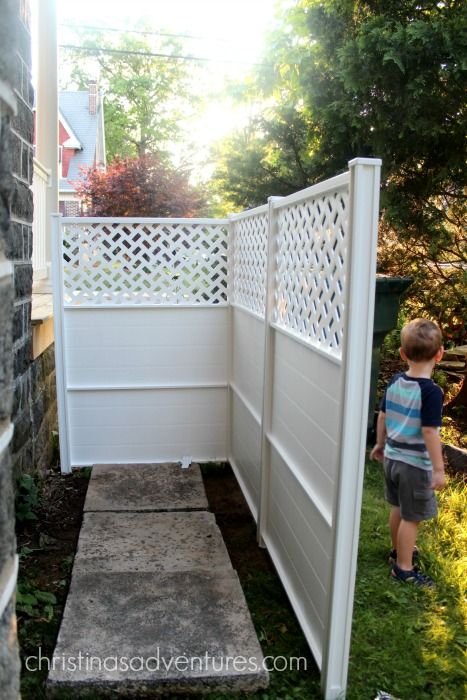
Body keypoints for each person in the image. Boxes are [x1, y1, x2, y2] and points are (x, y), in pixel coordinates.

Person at [370, 318, 445, 587]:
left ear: (402, 354)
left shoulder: (395, 382)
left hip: (392, 459)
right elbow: (429, 432)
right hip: (414, 466)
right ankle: (404, 568)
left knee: (398, 508)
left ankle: (397, 551)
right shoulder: (432, 392)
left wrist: (379, 444)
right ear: (439, 354)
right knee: (412, 517)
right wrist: (438, 469)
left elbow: (382, 416)